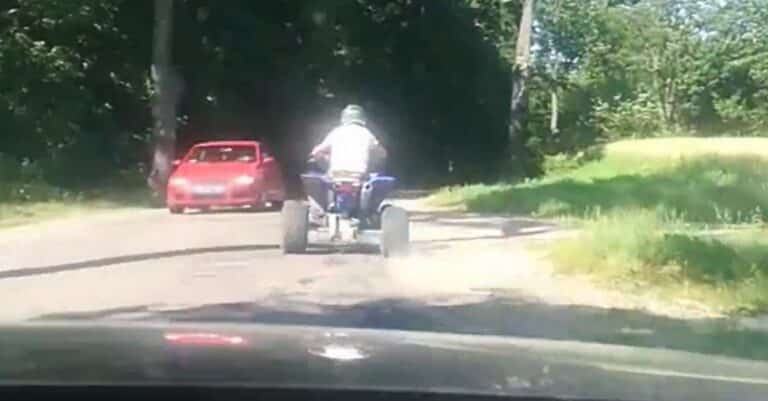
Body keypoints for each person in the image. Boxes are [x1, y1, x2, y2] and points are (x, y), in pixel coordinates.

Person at [310, 104, 386, 179]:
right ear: (362, 118)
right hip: (359, 175)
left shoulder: (336, 132)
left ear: (344, 117)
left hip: (336, 174)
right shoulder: (367, 133)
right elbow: (382, 153)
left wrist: (323, 157)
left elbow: (316, 152)